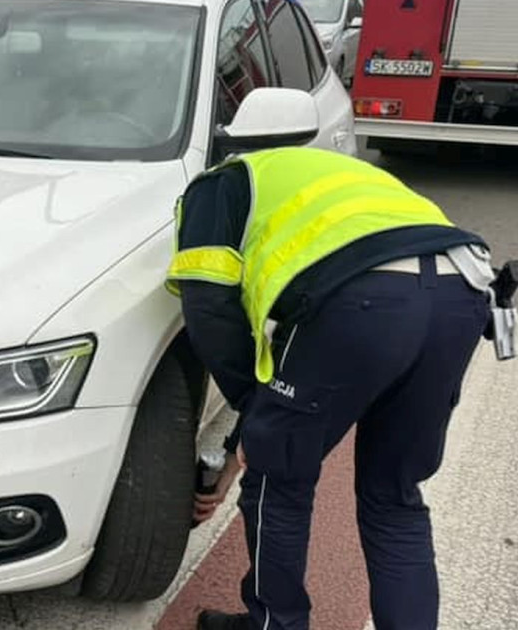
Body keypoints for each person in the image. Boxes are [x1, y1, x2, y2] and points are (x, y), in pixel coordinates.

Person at [170, 147, 496, 630]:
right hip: (461, 294)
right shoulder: (327, 177)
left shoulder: (212, 188)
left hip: (363, 298)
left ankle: (275, 625)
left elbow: (209, 305)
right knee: (394, 497)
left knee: (278, 481)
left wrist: (257, 429)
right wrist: (249, 435)